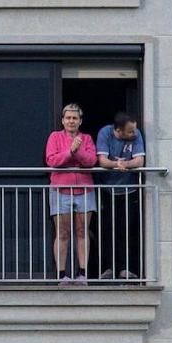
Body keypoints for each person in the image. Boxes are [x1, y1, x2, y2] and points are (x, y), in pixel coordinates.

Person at [45, 103, 98, 285]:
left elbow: (91, 161)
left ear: (80, 121)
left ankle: (82, 274)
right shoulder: (55, 137)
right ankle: (62, 275)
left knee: (82, 231)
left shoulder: (87, 138)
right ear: (62, 120)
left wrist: (78, 151)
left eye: (75, 118)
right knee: (62, 232)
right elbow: (52, 160)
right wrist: (70, 152)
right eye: (68, 118)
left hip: (84, 189)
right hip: (60, 189)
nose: (71, 121)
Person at [96, 111, 147, 280]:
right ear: (118, 130)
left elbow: (139, 161)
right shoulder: (105, 133)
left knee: (128, 229)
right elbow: (102, 161)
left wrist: (123, 164)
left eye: (134, 130)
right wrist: (116, 164)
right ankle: (108, 268)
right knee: (107, 229)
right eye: (130, 131)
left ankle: (127, 268)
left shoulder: (136, 134)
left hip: (129, 190)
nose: (134, 133)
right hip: (107, 190)